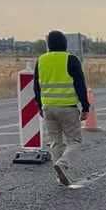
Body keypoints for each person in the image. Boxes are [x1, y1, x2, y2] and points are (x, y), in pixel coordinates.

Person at [34, 30, 90, 187]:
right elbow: (80, 84)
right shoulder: (71, 59)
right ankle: (63, 164)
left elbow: (36, 86)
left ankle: (60, 176)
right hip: (68, 107)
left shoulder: (41, 60)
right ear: (65, 43)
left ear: (48, 45)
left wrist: (39, 105)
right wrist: (85, 106)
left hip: (48, 108)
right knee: (75, 141)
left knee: (55, 142)